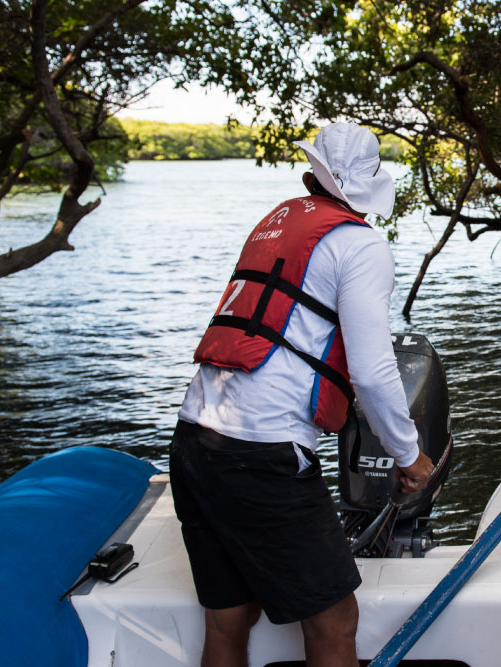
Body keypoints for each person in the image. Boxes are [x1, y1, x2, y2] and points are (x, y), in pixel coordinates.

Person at [169, 122, 435, 667]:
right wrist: (409, 455)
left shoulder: (276, 223)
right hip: (262, 452)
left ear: (313, 176)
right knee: (335, 622)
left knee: (228, 619)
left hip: (196, 436)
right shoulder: (360, 245)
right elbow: (373, 370)